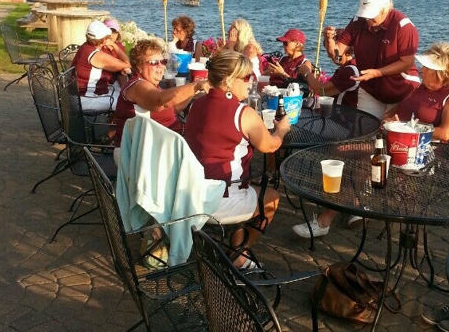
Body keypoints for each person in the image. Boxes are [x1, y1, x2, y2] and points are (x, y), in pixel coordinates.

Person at [184, 50, 290, 268]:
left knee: (247, 185)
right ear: (229, 81)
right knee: (271, 198)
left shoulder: (196, 104)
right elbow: (270, 145)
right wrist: (281, 130)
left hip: (192, 193)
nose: (250, 83)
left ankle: (235, 245)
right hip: (220, 199)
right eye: (246, 78)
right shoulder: (242, 113)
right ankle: (239, 255)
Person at [291, 38, 362, 238]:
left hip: (344, 126)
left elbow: (320, 90)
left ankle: (289, 166)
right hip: (344, 121)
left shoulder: (350, 71)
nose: (331, 52)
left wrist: (305, 72)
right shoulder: (349, 68)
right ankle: (350, 203)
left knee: (293, 121)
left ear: (347, 49)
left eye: (334, 47)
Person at [324, 0, 420, 118]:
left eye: (371, 15)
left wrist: (377, 73)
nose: (368, 19)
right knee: (365, 129)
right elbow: (337, 56)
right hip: (370, 88)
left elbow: (407, 63)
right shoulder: (358, 21)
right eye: (365, 14)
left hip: (401, 88)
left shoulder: (402, 26)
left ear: (385, 9)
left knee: (393, 132)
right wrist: (329, 40)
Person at [113, 38, 209, 165]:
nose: (160, 66)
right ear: (139, 66)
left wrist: (191, 94)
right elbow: (159, 102)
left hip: (157, 147)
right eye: (153, 62)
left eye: (163, 61)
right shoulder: (137, 86)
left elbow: (172, 108)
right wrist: (196, 85)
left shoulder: (151, 85)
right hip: (138, 154)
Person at [382, 42, 449, 142]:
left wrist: (407, 129)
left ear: (440, 74)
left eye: (427, 68)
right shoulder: (421, 88)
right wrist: (388, 121)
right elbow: (395, 111)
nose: (422, 70)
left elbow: (446, 134)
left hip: (424, 148)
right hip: (397, 140)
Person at [71, 20, 132, 112]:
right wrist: (114, 45)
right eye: (107, 37)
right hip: (86, 99)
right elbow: (127, 63)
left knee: (124, 95)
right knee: (126, 103)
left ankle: (113, 125)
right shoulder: (96, 55)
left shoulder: (86, 47)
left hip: (78, 95)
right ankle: (117, 126)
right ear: (103, 40)